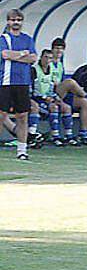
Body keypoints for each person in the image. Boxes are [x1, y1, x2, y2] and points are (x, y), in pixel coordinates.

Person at [0, 9, 37, 160]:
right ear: (8, 21)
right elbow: (4, 54)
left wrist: (15, 56)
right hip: (5, 81)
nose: (16, 22)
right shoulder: (3, 38)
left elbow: (33, 58)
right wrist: (23, 54)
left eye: (19, 20)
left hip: (22, 82)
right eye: (13, 20)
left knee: (22, 116)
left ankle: (22, 150)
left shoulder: (28, 39)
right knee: (1, 115)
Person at [31, 49, 77, 147]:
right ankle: (54, 136)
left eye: (50, 58)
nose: (47, 60)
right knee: (53, 107)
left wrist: (55, 97)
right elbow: (31, 90)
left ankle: (69, 136)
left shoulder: (51, 70)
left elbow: (51, 87)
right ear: (41, 57)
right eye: (45, 57)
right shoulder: (34, 69)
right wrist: (44, 97)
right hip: (36, 99)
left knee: (66, 107)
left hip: (47, 98)